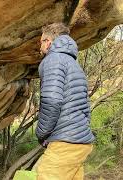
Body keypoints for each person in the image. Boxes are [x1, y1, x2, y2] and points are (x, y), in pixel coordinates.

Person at [33, 23, 95, 180]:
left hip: (65, 144)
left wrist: (41, 133)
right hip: (81, 143)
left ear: (48, 42)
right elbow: (86, 108)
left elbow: (52, 100)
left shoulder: (53, 60)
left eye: (41, 42)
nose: (40, 47)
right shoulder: (74, 64)